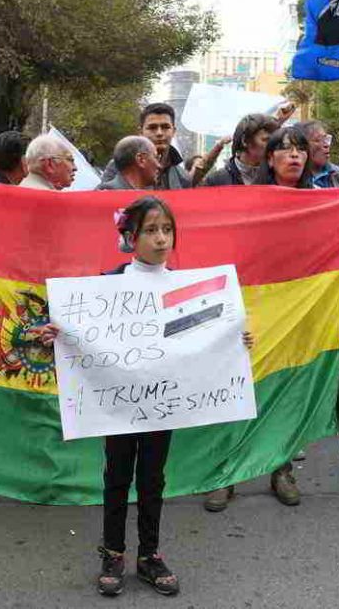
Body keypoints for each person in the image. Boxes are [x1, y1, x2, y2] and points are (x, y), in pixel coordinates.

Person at [37, 196, 254, 597]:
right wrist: (56, 333)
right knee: (117, 477)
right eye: (151, 231)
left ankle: (150, 555)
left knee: (153, 479)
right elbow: (73, 326)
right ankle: (113, 553)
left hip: (161, 404)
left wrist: (236, 341)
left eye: (167, 230)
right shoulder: (107, 286)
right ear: (131, 237)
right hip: (118, 405)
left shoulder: (187, 289)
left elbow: (207, 337)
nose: (161, 239)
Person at [202, 127, 309, 513]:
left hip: (299, 306)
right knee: (239, 385)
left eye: (301, 149)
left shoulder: (324, 201)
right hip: (254, 303)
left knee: (286, 390)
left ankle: (281, 469)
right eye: (285, 149)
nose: (294, 156)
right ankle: (226, 473)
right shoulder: (250, 201)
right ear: (269, 158)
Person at [294, 120, 339, 427]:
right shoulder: (292, 180)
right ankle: (302, 406)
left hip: (337, 275)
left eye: (328, 138)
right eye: (319, 140)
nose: (326, 144)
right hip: (301, 276)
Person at [100, 104, 190, 190]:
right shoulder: (120, 166)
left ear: (173, 131)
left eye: (165, 127)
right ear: (141, 132)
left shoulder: (181, 175)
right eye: (152, 127)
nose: (159, 133)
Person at [201, 114, 280, 187]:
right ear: (245, 141)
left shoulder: (278, 177)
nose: (272, 145)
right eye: (266, 140)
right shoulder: (217, 180)